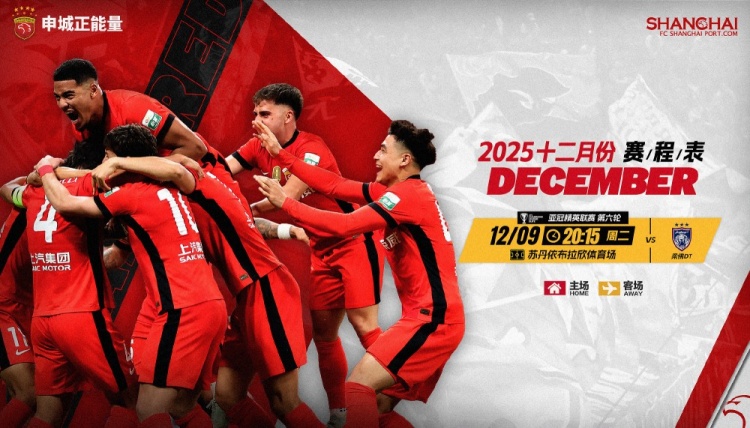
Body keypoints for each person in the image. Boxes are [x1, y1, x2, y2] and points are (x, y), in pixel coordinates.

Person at [90, 141, 324, 428]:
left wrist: (117, 163)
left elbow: (180, 169)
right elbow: (245, 223)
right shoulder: (170, 193)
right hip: (244, 298)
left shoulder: (189, 178)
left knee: (284, 402)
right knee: (227, 397)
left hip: (266, 288)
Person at [253, 119, 465, 427]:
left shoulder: (408, 196)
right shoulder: (396, 192)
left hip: (433, 320)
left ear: (404, 160)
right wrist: (281, 155)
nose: (375, 156)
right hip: (430, 318)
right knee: (378, 406)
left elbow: (345, 225)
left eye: (383, 150)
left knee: (357, 388)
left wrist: (285, 203)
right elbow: (334, 185)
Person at [35, 124, 227, 428]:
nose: (103, 166)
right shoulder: (169, 184)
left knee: (147, 411)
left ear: (124, 162)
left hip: (183, 310)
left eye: (107, 157)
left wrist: (46, 169)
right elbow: (116, 254)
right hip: (206, 305)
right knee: (182, 407)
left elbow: (65, 203)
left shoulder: (130, 195)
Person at [227, 83, 384, 427]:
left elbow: (285, 198)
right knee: (325, 337)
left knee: (365, 327)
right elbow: (221, 173)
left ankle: (389, 403)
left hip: (355, 240)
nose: (256, 121)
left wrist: (237, 211)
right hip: (321, 248)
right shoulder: (257, 145)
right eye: (255, 114)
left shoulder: (312, 149)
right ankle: (340, 415)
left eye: (264, 114)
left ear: (288, 116)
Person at [0, 140, 139, 428]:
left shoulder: (33, 192)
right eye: (108, 160)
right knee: (136, 402)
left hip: (43, 319)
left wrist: (45, 171)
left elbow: (7, 189)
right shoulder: (89, 187)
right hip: (78, 313)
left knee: (48, 411)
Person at [0, 205, 35, 428]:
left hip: (30, 305)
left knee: (47, 400)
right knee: (28, 391)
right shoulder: (34, 196)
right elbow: (8, 190)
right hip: (3, 305)